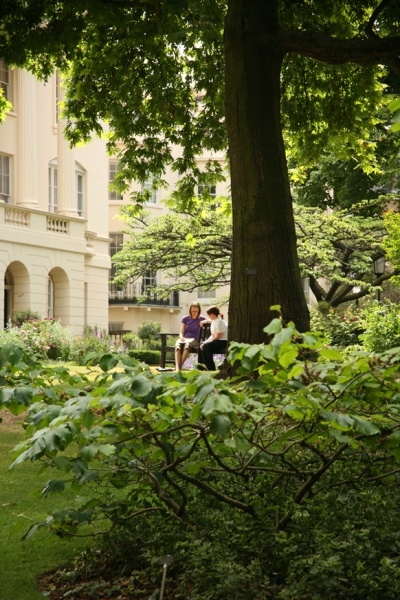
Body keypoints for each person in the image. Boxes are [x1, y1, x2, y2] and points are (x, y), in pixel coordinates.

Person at [175, 302, 206, 370]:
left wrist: (204, 322)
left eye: (196, 311)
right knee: (178, 346)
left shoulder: (201, 318)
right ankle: (177, 367)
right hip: (185, 338)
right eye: (193, 311)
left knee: (187, 345)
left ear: (199, 311)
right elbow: (181, 331)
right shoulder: (185, 318)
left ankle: (179, 367)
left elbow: (213, 320)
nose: (194, 313)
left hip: (194, 340)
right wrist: (181, 336)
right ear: (190, 310)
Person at [198, 306, 228, 371]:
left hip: (222, 341)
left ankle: (210, 367)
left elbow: (218, 336)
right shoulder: (214, 321)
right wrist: (205, 342)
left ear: (212, 314)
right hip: (217, 340)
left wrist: (207, 343)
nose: (208, 316)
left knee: (206, 346)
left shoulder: (220, 322)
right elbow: (212, 335)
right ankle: (201, 367)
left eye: (209, 314)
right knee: (202, 344)